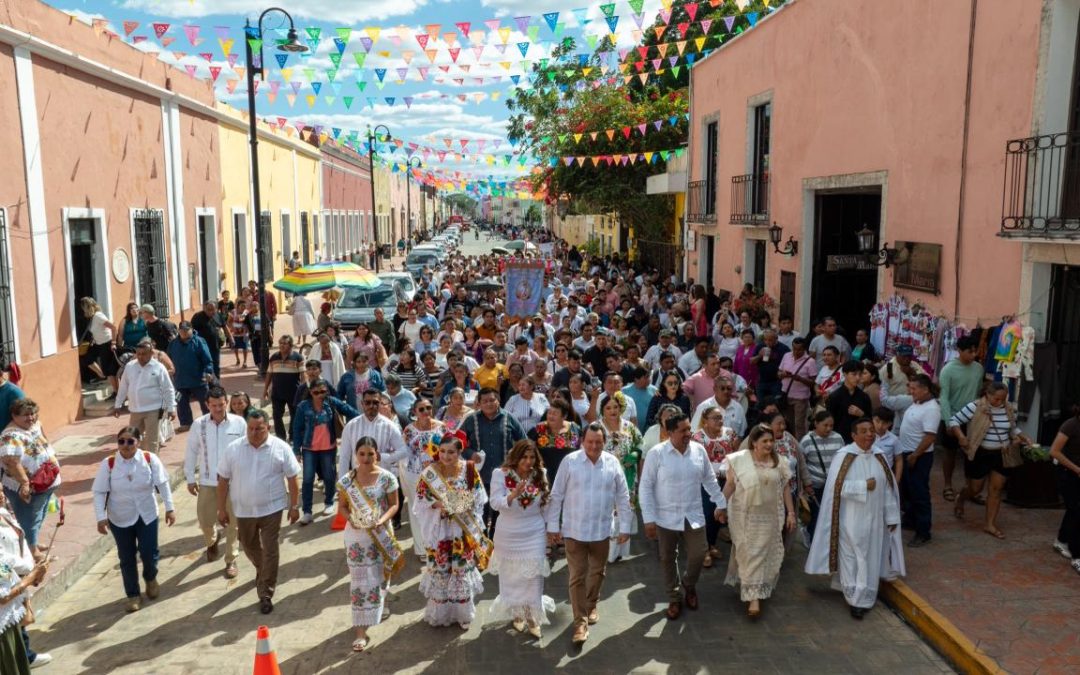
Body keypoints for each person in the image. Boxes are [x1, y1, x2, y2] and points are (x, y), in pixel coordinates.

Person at [805, 418, 905, 619]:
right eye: (864, 431)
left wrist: (892, 517)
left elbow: (888, 490)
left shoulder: (879, 456)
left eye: (871, 430)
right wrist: (863, 486)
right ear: (853, 435)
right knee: (852, 558)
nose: (869, 434)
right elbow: (836, 489)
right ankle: (855, 600)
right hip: (851, 520)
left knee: (870, 558)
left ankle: (865, 595)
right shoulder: (844, 456)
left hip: (875, 521)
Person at [546, 423, 633, 645]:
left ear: (604, 442)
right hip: (574, 530)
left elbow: (623, 496)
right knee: (577, 576)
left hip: (602, 531)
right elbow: (557, 494)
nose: (594, 446)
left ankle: (592, 603)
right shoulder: (570, 462)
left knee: (597, 572)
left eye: (598, 442)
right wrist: (553, 526)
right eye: (590, 442)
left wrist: (625, 526)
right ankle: (580, 622)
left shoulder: (612, 463)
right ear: (582, 441)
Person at [639, 412, 726, 621]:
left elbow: (709, 479)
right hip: (665, 516)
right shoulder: (656, 453)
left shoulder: (698, 451)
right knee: (667, 558)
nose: (688, 433)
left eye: (689, 429)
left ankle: (689, 584)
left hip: (693, 514)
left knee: (699, 554)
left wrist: (721, 503)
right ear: (670, 432)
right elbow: (646, 486)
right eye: (683, 430)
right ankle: (674, 597)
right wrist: (648, 518)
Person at [216, 410, 301, 614]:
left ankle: (265, 593)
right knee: (248, 545)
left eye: (259, 429)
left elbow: (292, 478)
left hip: (272, 508)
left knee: (271, 549)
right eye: (251, 429)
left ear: (268, 428)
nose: (254, 433)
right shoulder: (234, 449)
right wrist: (221, 509)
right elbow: (223, 480)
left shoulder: (281, 448)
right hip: (243, 510)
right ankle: (264, 570)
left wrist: (294, 506)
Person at [92, 426, 175, 612]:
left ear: (139, 441)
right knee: (126, 557)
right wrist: (100, 517)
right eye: (121, 441)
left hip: (147, 515)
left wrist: (170, 508)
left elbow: (163, 483)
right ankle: (133, 595)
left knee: (149, 552)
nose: (126, 445)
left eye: (130, 441)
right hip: (120, 518)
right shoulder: (109, 464)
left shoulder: (149, 459)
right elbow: (99, 492)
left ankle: (150, 577)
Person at [414, 434, 490, 629]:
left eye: (451, 452)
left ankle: (462, 614)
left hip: (461, 530)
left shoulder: (469, 470)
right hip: (439, 530)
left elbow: (479, 496)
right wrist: (438, 504)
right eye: (442, 451)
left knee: (460, 569)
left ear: (459, 452)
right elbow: (420, 500)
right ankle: (441, 613)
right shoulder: (430, 473)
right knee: (441, 570)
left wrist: (462, 504)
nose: (446, 456)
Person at [336, 437, 404, 652]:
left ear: (377, 455)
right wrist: (352, 519)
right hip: (356, 537)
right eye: (362, 454)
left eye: (370, 454)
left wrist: (381, 520)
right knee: (360, 582)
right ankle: (360, 630)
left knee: (381, 576)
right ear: (356, 455)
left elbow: (394, 505)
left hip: (381, 533)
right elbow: (342, 507)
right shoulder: (347, 480)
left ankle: (380, 604)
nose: (366, 458)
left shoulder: (387, 478)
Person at [723, 424, 795, 618]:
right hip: (744, 516)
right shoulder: (740, 461)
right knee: (749, 552)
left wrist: (791, 513)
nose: (769, 444)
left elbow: (785, 488)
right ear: (754, 442)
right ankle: (753, 597)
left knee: (762, 553)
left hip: (770, 517)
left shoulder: (780, 462)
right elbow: (730, 485)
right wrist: (720, 506)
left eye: (771, 441)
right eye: (765, 441)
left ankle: (755, 587)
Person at [488, 440, 554, 638]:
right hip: (508, 532)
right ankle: (517, 614)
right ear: (516, 456)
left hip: (534, 531)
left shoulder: (540, 474)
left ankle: (533, 618)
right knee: (512, 576)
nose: (528, 461)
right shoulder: (500, 474)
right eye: (524, 457)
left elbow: (546, 505)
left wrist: (551, 530)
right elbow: (494, 503)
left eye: (532, 457)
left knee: (533, 576)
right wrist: (512, 495)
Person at [949, 382, 1032, 539]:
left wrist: (1023, 436)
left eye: (1003, 399)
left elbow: (1012, 427)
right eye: (996, 399)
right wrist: (961, 436)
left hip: (1001, 453)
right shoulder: (975, 406)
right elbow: (954, 420)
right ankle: (962, 497)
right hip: (980, 453)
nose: (1000, 402)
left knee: (996, 489)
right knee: (975, 489)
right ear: (987, 394)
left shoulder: (1007, 408)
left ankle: (990, 524)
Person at [183, 387, 245, 579]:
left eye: (221, 404)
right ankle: (212, 541)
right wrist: (190, 478)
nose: (218, 409)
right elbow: (191, 452)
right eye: (214, 405)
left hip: (233, 482)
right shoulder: (198, 425)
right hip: (208, 481)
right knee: (205, 520)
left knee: (233, 523)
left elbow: (246, 450)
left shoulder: (239, 423)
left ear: (226, 403)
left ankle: (231, 559)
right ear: (207, 405)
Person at [291, 379, 361, 525]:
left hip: (328, 448)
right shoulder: (303, 406)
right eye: (316, 392)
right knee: (308, 479)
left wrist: (365, 420)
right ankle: (307, 511)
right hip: (309, 448)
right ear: (310, 392)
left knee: (329, 477)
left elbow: (352, 412)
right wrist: (296, 450)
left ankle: (329, 502)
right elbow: (296, 429)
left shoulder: (332, 402)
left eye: (323, 392)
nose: (319, 395)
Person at [0, 399, 61, 561]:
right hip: (29, 486)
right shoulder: (10, 436)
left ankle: (31, 542)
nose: (31, 417)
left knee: (39, 514)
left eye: (33, 413)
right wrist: (25, 483)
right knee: (29, 518)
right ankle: (33, 552)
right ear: (14, 416)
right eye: (26, 415)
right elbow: (11, 462)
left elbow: (44, 441)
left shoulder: (35, 425)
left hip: (45, 483)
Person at [460, 388, 527, 534]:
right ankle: (483, 543)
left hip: (504, 476)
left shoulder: (509, 418)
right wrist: (470, 453)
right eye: (485, 401)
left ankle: (497, 541)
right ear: (479, 403)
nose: (489, 404)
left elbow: (524, 443)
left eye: (492, 400)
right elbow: (458, 443)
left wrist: (514, 454)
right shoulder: (471, 420)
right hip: (479, 476)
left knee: (501, 514)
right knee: (480, 513)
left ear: (498, 401)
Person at [0, 490, 51, 673]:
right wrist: (30, 576)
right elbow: (3, 596)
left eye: (1, 490)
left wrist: (32, 572)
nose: (1, 495)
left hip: (9, 619)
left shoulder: (4, 513)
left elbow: (4, 570)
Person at [390, 399, 445, 557]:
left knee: (438, 510)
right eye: (421, 409)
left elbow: (450, 448)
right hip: (415, 476)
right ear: (414, 412)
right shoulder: (409, 430)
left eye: (428, 407)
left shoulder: (441, 427)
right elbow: (404, 454)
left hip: (438, 475)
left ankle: (438, 546)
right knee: (418, 512)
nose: (426, 411)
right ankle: (422, 549)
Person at [937, 336, 985, 503]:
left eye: (975, 351)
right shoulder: (948, 370)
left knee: (971, 454)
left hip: (972, 419)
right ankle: (947, 485)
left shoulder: (979, 369)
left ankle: (970, 489)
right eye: (969, 351)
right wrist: (948, 421)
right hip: (952, 417)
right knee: (950, 453)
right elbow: (944, 397)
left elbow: (979, 393)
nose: (973, 355)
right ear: (959, 350)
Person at [691, 405, 740, 567]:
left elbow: (738, 454)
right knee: (707, 513)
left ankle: (711, 544)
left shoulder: (730, 434)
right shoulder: (698, 438)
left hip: (727, 481)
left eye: (721, 417)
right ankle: (703, 549)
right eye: (715, 418)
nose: (720, 421)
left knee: (720, 513)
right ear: (705, 421)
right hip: (706, 482)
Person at [596, 392, 642, 563]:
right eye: (608, 408)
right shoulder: (596, 427)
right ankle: (605, 552)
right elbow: (586, 448)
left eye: (615, 407)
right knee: (606, 512)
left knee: (623, 511)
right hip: (603, 476)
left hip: (626, 476)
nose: (613, 411)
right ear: (602, 410)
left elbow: (640, 443)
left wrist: (635, 454)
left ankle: (619, 551)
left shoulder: (629, 427)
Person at [897, 374, 941, 547]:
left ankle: (923, 532)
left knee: (919, 493)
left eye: (914, 388)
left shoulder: (931, 409)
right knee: (908, 490)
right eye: (910, 387)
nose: (911, 391)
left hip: (919, 456)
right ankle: (910, 519)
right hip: (907, 453)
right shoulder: (917, 402)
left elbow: (930, 436)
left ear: (925, 389)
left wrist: (915, 455)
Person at [113, 338, 176, 454]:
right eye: (138, 354)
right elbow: (123, 387)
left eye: (144, 354)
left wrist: (172, 408)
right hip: (135, 410)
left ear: (151, 353)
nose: (140, 357)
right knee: (132, 439)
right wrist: (118, 404)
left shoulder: (159, 367)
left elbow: (168, 389)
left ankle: (152, 463)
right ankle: (135, 462)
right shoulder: (130, 366)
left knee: (152, 440)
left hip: (153, 409)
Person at [167, 321, 214, 432]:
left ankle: (210, 421)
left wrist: (208, 372)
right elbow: (168, 359)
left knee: (205, 402)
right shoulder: (173, 344)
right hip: (179, 380)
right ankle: (186, 423)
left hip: (199, 379)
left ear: (191, 329)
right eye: (181, 330)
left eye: (186, 330)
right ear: (178, 331)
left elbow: (208, 360)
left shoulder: (199, 342)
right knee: (181, 403)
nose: (184, 332)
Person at [1049, 405, 1080, 573]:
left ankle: (1061, 540)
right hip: (1068, 473)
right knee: (1076, 511)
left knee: (1074, 510)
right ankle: (1077, 556)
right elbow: (1054, 451)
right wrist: (1077, 469)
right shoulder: (1070, 425)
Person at [263, 336, 304, 441]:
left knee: (294, 415)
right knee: (276, 416)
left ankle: (292, 436)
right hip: (277, 392)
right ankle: (281, 437)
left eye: (285, 343)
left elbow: (303, 376)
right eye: (280, 343)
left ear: (290, 345)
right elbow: (269, 373)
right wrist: (265, 389)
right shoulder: (274, 357)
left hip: (294, 392)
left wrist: (303, 390)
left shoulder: (298, 357)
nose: (282, 345)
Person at [777, 337, 817, 440]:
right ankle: (791, 441)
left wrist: (800, 379)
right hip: (786, 394)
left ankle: (801, 444)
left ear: (804, 349)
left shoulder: (810, 361)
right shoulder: (786, 356)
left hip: (801, 397)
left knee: (799, 424)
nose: (796, 352)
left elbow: (813, 383)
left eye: (799, 349)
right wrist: (782, 374)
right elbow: (778, 373)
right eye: (794, 349)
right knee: (788, 423)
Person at [827, 361, 874, 443]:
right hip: (840, 439)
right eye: (854, 374)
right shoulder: (835, 397)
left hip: (860, 439)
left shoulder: (864, 396)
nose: (858, 378)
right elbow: (829, 420)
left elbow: (870, 420)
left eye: (860, 374)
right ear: (845, 374)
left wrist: (861, 414)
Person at [80, 297, 119, 391]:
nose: (83, 310)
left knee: (109, 370)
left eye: (84, 308)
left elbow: (113, 328)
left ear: (87, 307)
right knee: (87, 359)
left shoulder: (98, 316)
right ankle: (102, 374)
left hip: (107, 343)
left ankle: (116, 392)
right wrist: (94, 339)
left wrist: (113, 343)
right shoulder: (92, 317)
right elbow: (98, 330)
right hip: (98, 343)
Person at [191, 301, 227, 378]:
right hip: (202, 346)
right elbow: (192, 331)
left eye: (213, 309)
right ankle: (205, 380)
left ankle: (216, 381)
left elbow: (224, 326)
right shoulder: (198, 317)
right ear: (204, 308)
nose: (211, 311)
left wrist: (231, 338)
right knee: (203, 364)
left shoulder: (218, 315)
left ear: (216, 309)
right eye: (208, 309)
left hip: (215, 345)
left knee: (215, 364)